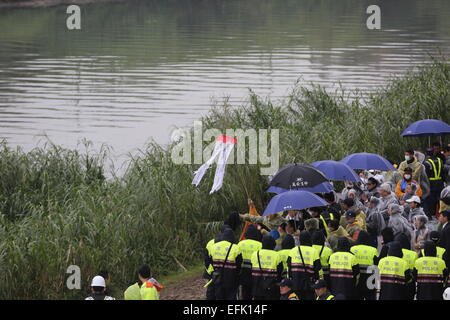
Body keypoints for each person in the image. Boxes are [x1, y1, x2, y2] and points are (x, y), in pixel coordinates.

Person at [208, 229, 242, 300]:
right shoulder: (236, 247)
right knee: (231, 297)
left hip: (218, 278)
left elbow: (210, 261)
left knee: (219, 296)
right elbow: (239, 264)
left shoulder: (214, 246)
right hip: (231, 278)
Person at [287, 230, 322, 300]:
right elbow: (318, 268)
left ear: (300, 239)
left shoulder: (293, 251)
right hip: (309, 286)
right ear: (309, 239)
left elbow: (289, 268)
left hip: (295, 285)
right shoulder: (314, 251)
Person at [251, 235, 283, 300]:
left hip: (257, 288)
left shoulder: (255, 254)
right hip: (271, 289)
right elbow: (280, 271)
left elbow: (251, 270)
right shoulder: (277, 255)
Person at [350, 230, 379, 300]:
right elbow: (376, 266)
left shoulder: (352, 249)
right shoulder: (373, 250)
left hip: (357, 281)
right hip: (370, 280)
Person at [237, 225, 262, 300]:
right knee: (255, 292)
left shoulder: (240, 244)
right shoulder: (259, 245)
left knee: (245, 292)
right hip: (255, 273)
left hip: (243, 272)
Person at [423, 147, 446, 219]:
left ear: (426, 153)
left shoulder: (426, 163)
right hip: (440, 183)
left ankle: (432, 215)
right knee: (440, 200)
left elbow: (425, 175)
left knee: (431, 200)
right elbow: (443, 172)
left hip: (431, 184)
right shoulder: (440, 160)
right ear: (433, 153)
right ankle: (441, 215)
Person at [396, 233, 418, 300]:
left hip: (397, 284)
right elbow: (416, 271)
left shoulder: (393, 252)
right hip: (409, 286)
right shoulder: (414, 254)